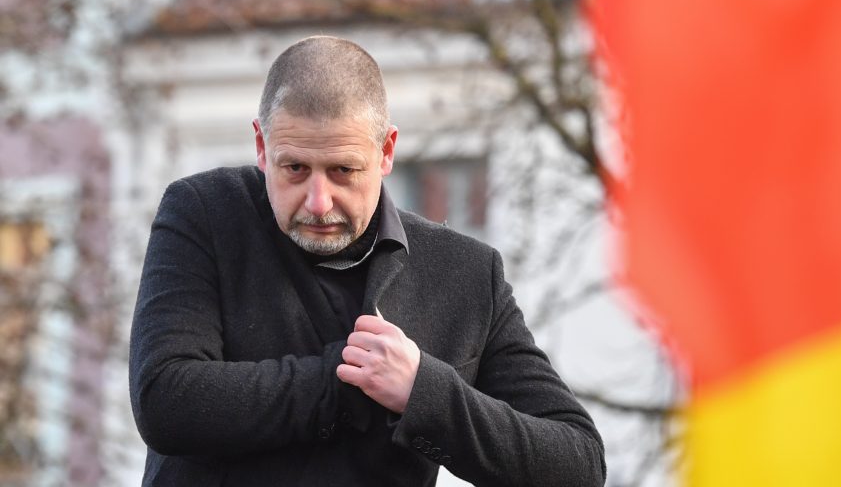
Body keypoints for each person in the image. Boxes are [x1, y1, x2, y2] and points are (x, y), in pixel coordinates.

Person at [129, 36, 606, 487]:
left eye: (343, 170)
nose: (318, 201)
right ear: (261, 146)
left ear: (386, 152)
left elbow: (576, 462)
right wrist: (347, 381)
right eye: (294, 168)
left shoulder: (464, 273)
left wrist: (422, 392)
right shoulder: (204, 213)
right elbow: (166, 400)